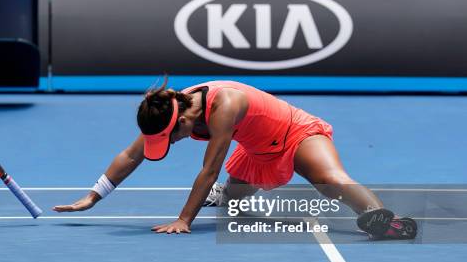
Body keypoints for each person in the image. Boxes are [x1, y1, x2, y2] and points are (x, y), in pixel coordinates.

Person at [53, 79, 417, 239]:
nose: (173, 143)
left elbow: (209, 167)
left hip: (296, 134)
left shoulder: (224, 105)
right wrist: (93, 196)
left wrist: (183, 219)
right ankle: (223, 196)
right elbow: (131, 154)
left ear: (182, 122)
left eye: (172, 138)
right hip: (257, 149)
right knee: (232, 199)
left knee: (330, 181)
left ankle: (384, 221)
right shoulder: (168, 110)